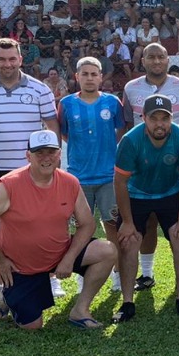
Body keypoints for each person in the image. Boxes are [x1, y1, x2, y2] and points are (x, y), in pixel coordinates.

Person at [0, 130, 117, 330]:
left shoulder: (69, 182)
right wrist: (1, 260)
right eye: (39, 153)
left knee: (108, 250)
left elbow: (87, 224)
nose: (46, 158)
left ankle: (80, 310)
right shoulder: (10, 185)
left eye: (51, 152)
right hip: (22, 267)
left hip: (59, 254)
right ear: (28, 156)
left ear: (59, 154)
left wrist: (69, 258)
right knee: (32, 326)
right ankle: (5, 295)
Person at [0, 37, 59, 306]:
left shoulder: (39, 89)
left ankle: (48, 278)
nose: (7, 64)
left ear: (20, 59)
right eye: (1, 59)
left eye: (12, 58)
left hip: (31, 171)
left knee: (43, 225)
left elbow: (51, 125)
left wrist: (53, 163)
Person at [112, 95, 179, 322]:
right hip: (136, 194)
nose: (159, 123)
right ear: (144, 118)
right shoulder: (130, 141)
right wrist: (128, 223)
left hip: (171, 192)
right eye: (154, 118)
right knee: (129, 242)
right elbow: (120, 182)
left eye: (164, 118)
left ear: (172, 118)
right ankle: (127, 302)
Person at [124, 41, 179, 290]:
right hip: (142, 170)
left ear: (168, 60)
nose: (156, 61)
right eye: (151, 57)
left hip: (173, 172)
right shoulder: (130, 88)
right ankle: (146, 273)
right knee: (145, 226)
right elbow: (126, 127)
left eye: (161, 57)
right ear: (143, 61)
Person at [58, 56, 125, 293]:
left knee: (112, 226)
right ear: (77, 77)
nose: (89, 78)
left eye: (93, 74)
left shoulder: (113, 102)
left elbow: (119, 132)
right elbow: (64, 134)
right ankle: (81, 272)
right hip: (78, 178)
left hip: (108, 177)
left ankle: (118, 273)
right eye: (84, 74)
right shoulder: (66, 104)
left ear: (100, 77)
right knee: (80, 228)